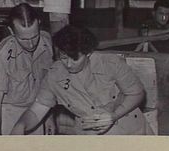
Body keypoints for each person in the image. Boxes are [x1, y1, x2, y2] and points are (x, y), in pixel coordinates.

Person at [11, 25, 153, 135]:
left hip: (129, 130)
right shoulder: (54, 75)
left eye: (75, 58)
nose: (68, 64)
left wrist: (114, 115)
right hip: (91, 137)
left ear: (88, 53)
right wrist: (20, 125)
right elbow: (38, 109)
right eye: (64, 57)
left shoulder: (111, 63)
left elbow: (137, 93)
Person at [0, 3, 54, 135]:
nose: (30, 44)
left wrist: (49, 117)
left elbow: (49, 85)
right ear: (11, 31)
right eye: (23, 39)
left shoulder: (47, 42)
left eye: (34, 36)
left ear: (39, 24)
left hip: (37, 111)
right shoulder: (2, 55)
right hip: (8, 115)